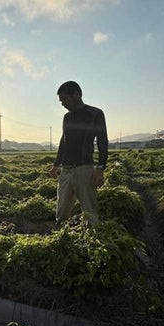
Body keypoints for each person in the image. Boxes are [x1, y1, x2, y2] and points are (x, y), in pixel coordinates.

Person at [49, 81, 108, 227]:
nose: (62, 103)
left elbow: (102, 142)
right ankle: (60, 239)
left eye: (64, 99)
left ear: (76, 95)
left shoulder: (95, 114)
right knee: (62, 210)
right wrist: (56, 165)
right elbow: (64, 141)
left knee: (90, 212)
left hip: (85, 169)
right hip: (66, 170)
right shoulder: (67, 117)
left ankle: (93, 240)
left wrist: (100, 168)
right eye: (60, 100)